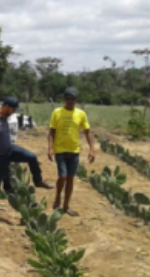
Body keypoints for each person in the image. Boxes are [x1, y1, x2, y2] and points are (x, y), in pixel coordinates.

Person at [0, 97, 54, 221]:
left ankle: (38, 181)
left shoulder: (6, 116)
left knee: (31, 157)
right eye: (13, 109)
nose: (14, 112)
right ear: (6, 106)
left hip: (9, 150)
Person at [48, 87, 95, 217]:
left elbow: (87, 132)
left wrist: (92, 149)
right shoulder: (57, 112)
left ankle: (66, 206)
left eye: (72, 99)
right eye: (67, 99)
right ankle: (58, 196)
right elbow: (52, 131)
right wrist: (50, 148)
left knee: (70, 178)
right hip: (60, 150)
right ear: (64, 99)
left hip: (74, 151)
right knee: (62, 176)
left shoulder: (81, 114)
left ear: (76, 100)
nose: (70, 101)